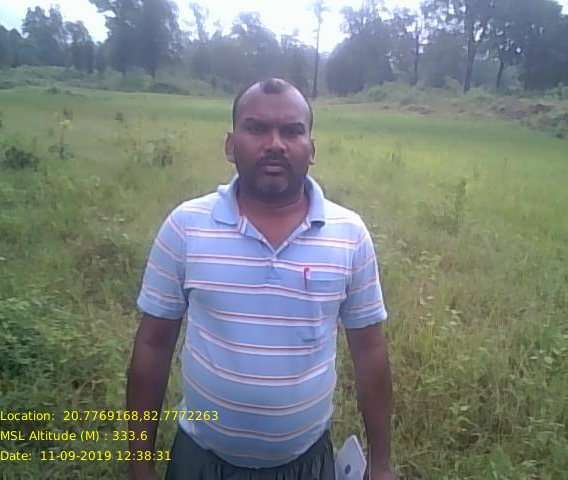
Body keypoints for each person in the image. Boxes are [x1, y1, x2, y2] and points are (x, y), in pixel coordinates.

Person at [127, 77, 395, 480]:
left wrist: (381, 464)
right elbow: (153, 344)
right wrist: (139, 463)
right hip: (200, 460)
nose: (275, 144)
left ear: (311, 149)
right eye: (256, 128)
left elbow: (370, 351)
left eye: (292, 131)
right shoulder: (186, 226)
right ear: (230, 145)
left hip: (306, 463)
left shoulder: (349, 234)